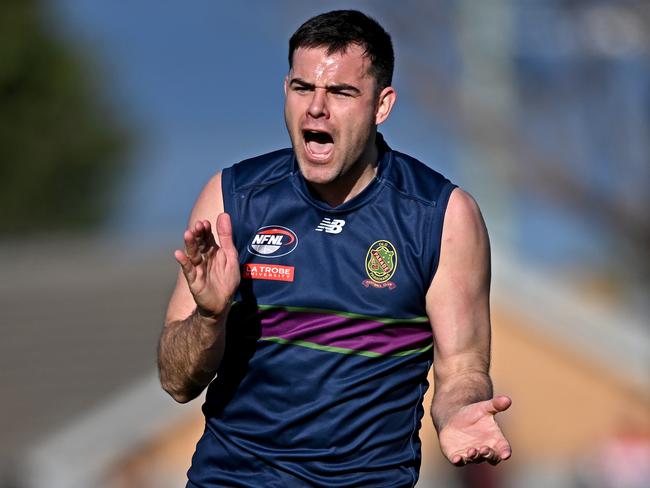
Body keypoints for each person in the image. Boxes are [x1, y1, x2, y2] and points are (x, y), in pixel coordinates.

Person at [158, 9, 512, 487]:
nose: (316, 109)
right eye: (303, 88)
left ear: (381, 105)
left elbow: (463, 366)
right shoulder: (232, 201)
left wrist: (460, 413)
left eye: (341, 92)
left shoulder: (440, 217)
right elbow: (176, 380)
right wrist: (209, 317)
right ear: (286, 90)